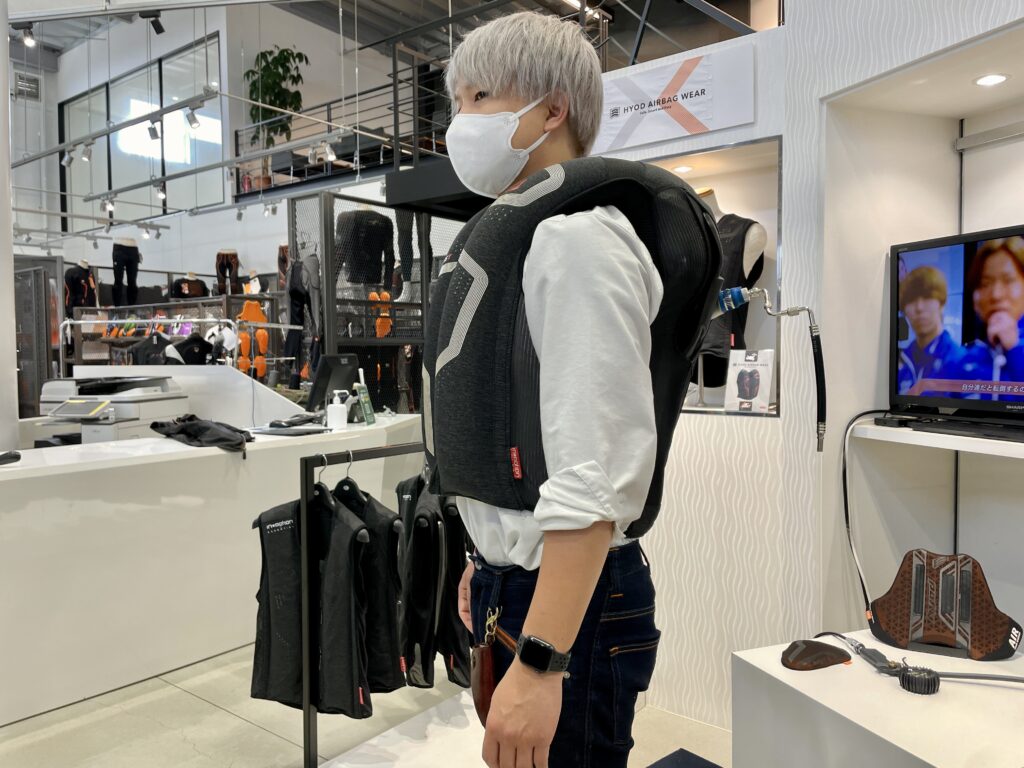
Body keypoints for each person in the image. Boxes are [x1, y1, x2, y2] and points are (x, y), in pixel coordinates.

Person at [440, 11, 661, 768]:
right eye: (457, 101)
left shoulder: (576, 241)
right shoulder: (524, 238)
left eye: (480, 97)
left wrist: (541, 662)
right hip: (522, 583)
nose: (460, 120)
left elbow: (593, 471)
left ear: (552, 109)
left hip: (570, 606)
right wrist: (488, 552)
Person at [949, 237, 1024, 399]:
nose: (996, 295)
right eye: (985, 284)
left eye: (1008, 280)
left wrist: (1015, 350)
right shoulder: (964, 361)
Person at [896, 266, 963, 394]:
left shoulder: (959, 361)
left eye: (927, 297)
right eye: (911, 300)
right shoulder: (902, 362)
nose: (919, 308)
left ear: (942, 304)